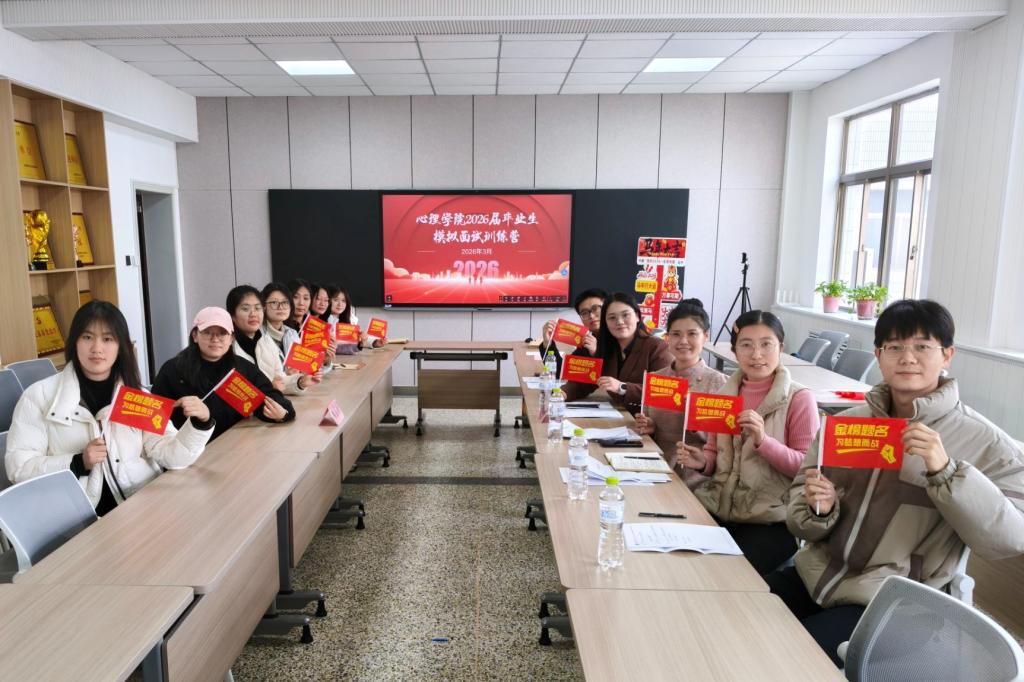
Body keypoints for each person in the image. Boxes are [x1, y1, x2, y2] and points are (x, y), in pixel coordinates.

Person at [771, 299, 1024, 665]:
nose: (907, 358)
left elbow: (1009, 538)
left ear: (947, 354)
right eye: (894, 347)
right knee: (739, 615)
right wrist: (818, 510)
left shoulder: (986, 442)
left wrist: (946, 472)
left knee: (787, 658)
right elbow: (797, 509)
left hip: (901, 602)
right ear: (878, 354)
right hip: (817, 576)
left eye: (922, 346)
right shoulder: (847, 425)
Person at [5, 301, 212, 514]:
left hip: (140, 506)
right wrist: (77, 463)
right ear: (74, 343)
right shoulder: (38, 397)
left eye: (107, 339)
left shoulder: (137, 396)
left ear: (120, 347)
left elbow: (174, 457)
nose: (97, 348)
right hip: (76, 517)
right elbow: (18, 468)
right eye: (87, 337)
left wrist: (200, 424)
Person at [683, 310, 819, 576]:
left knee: (725, 574)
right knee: (684, 562)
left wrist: (764, 441)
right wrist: (703, 462)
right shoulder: (724, 394)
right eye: (746, 345)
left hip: (772, 518)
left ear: (781, 348)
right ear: (735, 351)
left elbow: (806, 468)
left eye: (766, 344)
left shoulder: (799, 398)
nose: (757, 354)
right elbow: (713, 454)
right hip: (720, 505)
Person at [151, 306, 295, 440]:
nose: (215, 339)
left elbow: (272, 398)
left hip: (234, 444)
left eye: (222, 333)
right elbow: (154, 416)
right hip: (187, 447)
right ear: (195, 336)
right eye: (207, 332)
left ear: (231, 338)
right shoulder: (173, 370)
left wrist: (282, 414)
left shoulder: (242, 368)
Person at [633, 299, 727, 487]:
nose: (683, 341)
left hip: (696, 478)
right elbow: (651, 427)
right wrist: (650, 426)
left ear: (705, 337)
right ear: (667, 337)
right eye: (676, 334)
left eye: (692, 334)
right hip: (654, 468)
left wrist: (693, 417)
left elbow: (725, 445)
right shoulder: (656, 378)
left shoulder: (720, 383)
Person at [563, 292, 673, 413]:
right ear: (605, 323)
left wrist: (622, 387)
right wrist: (561, 394)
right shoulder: (606, 346)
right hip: (618, 415)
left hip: (647, 420)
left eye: (625, 315)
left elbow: (664, 392)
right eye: (612, 318)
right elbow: (586, 382)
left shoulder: (657, 347)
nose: (619, 322)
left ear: (637, 316)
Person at [226, 285, 321, 395]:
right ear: (232, 315)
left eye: (257, 308)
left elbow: (280, 378)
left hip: (273, 402)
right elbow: (235, 391)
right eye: (245, 309)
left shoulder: (266, 340)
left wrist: (300, 382)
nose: (253, 314)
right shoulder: (227, 346)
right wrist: (269, 387)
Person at [536, 288, 607, 374]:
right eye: (584, 313)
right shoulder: (586, 342)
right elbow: (563, 371)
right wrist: (548, 343)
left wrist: (596, 353)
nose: (591, 316)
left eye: (595, 309)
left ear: (608, 308)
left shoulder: (618, 338)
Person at [261, 282, 301, 359]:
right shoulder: (258, 335)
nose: (280, 307)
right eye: (274, 302)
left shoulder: (292, 333)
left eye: (285, 302)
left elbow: (300, 363)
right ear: (263, 306)